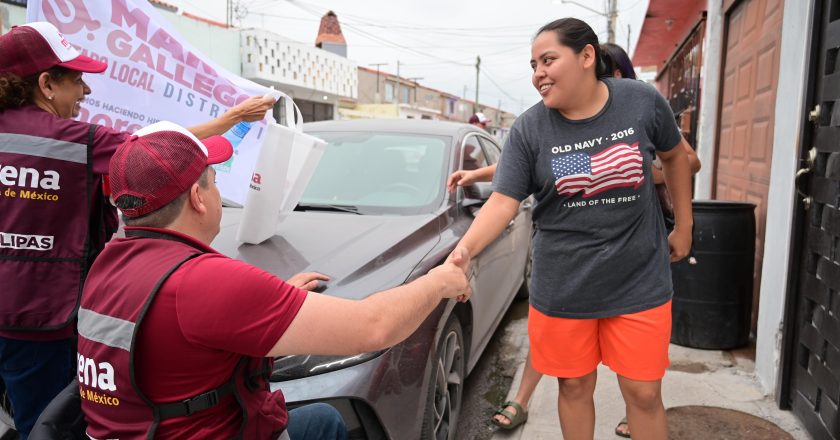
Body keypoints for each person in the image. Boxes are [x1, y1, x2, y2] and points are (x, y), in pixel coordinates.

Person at [76, 120, 471, 438]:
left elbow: (178, 350)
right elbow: (375, 327)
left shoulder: (107, 265)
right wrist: (440, 281)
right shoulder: (203, 281)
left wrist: (276, 311)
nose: (217, 192)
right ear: (198, 197)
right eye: (213, 179)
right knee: (325, 422)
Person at [0, 22, 274, 439]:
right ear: (46, 84)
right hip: (43, 322)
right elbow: (157, 149)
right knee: (48, 425)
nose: (86, 92)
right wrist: (235, 117)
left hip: (15, 314)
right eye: (76, 80)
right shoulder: (74, 140)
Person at [447, 18, 694, 440]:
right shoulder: (530, 128)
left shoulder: (639, 101)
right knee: (575, 385)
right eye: (533, 64)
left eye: (548, 60)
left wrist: (685, 226)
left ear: (586, 56)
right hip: (563, 284)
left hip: (638, 277)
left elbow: (676, 157)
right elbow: (505, 200)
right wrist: (464, 251)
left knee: (643, 393)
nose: (538, 73)